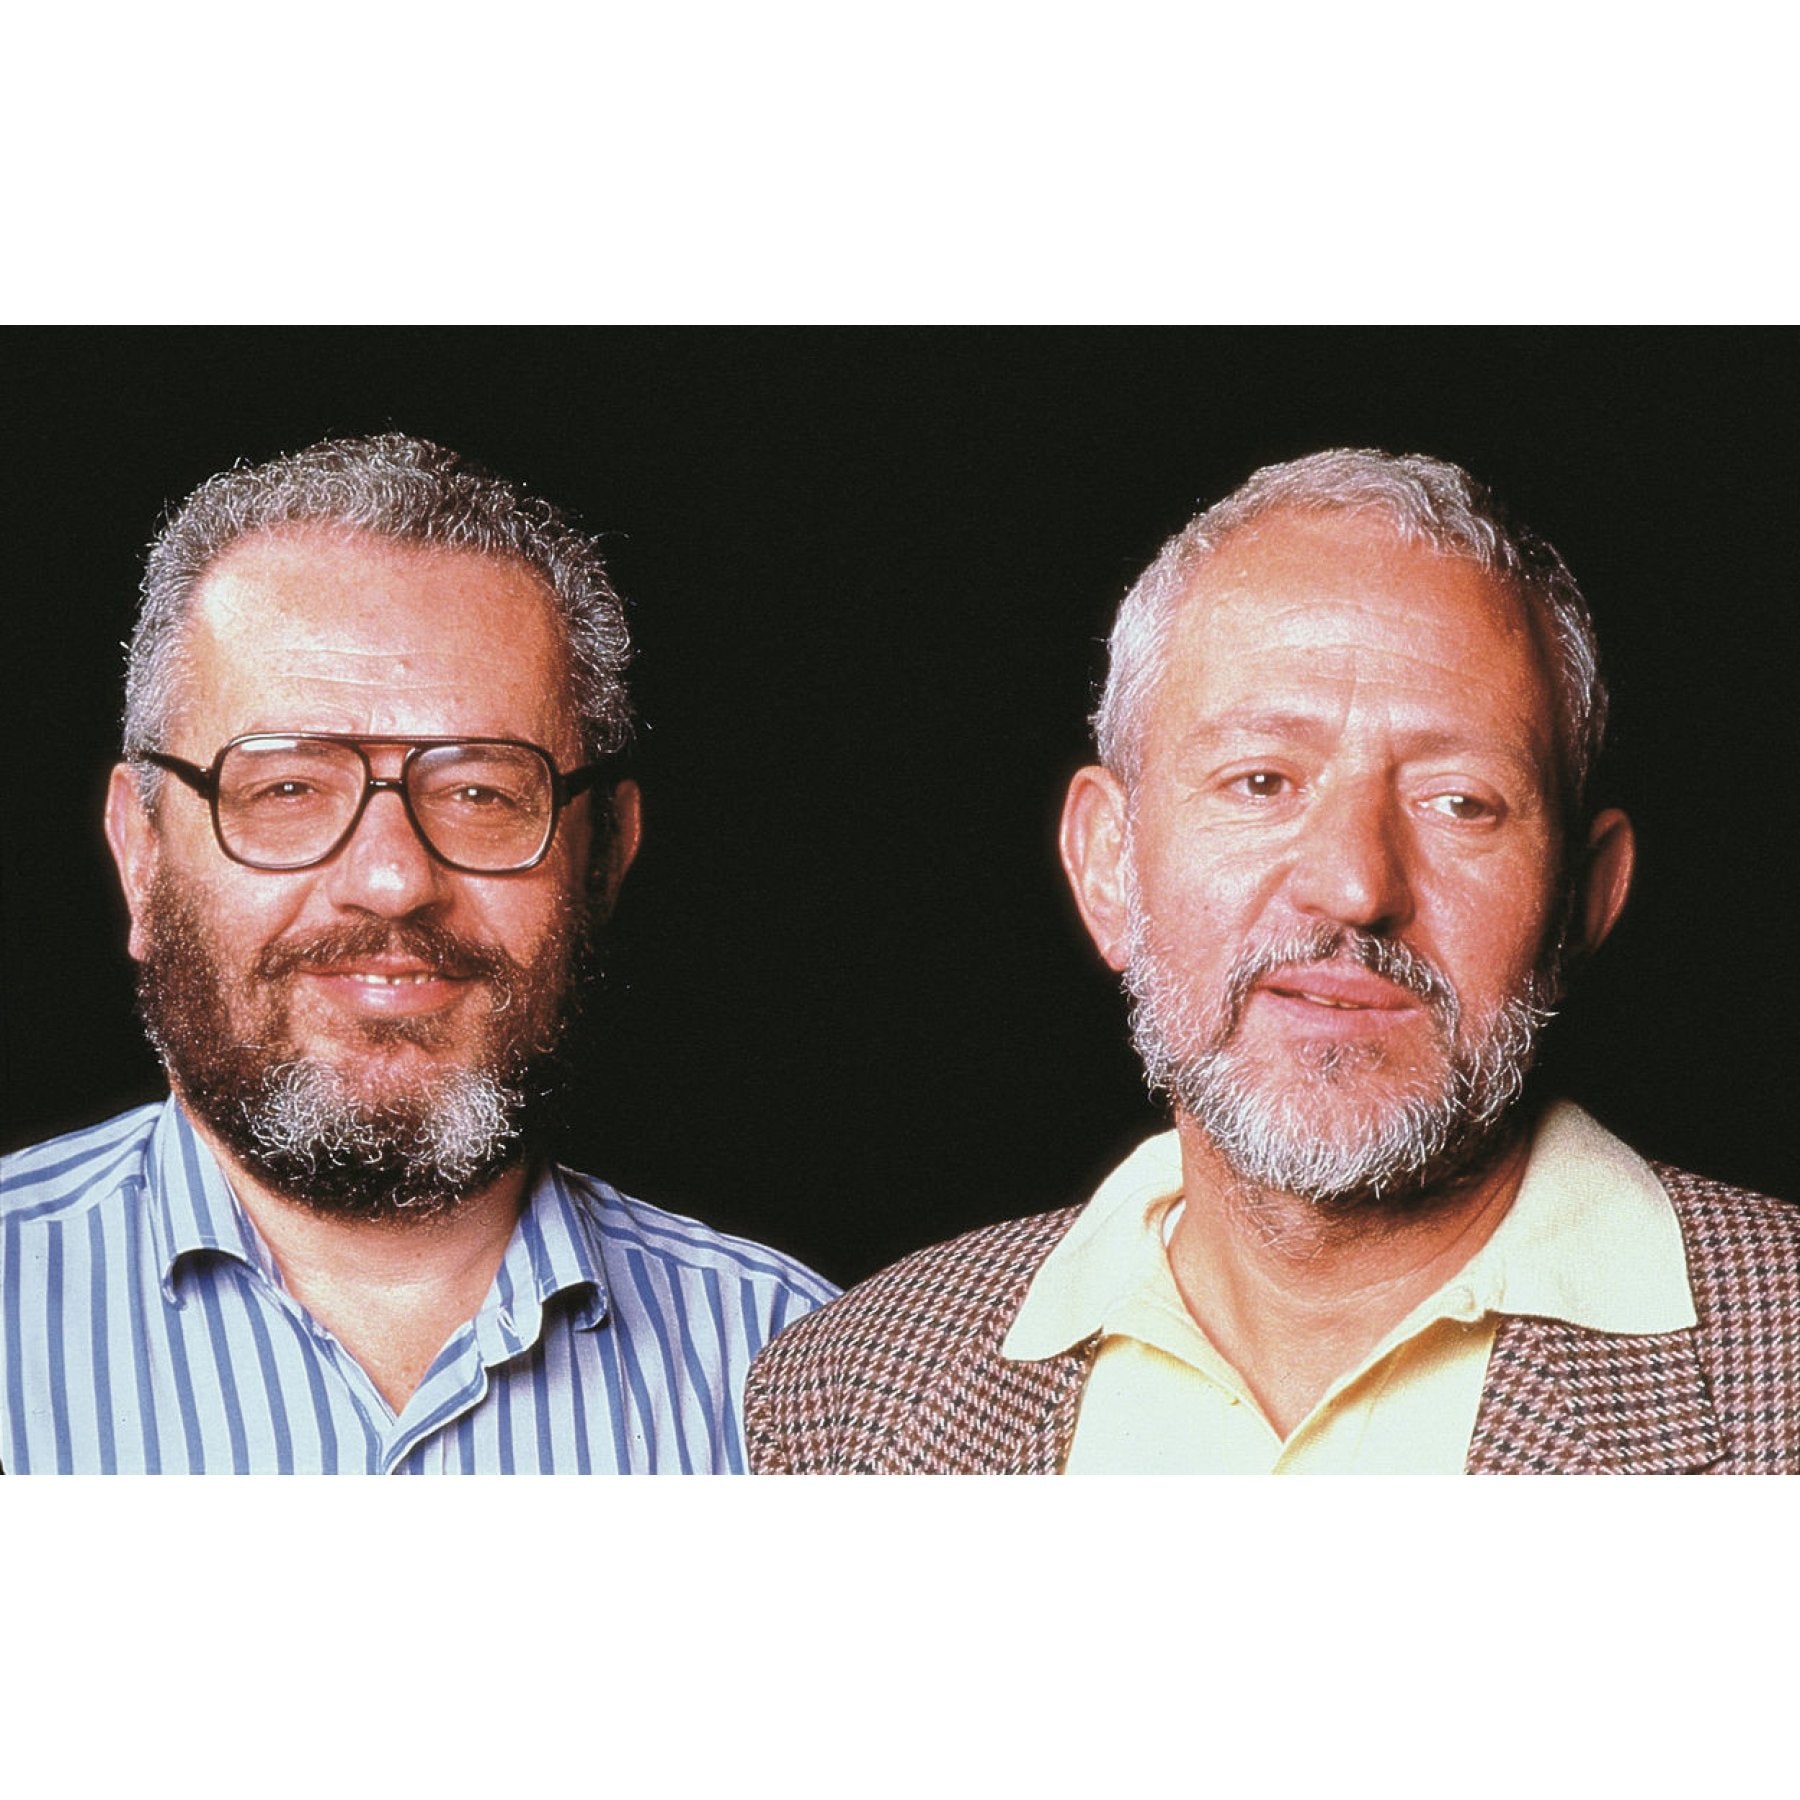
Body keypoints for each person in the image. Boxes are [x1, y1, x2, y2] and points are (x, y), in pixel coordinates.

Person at [745, 447, 1799, 1475]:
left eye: (1459, 802)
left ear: (1586, 897)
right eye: (1262, 782)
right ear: (1108, 865)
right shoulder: (841, 1398)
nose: (1354, 885)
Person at [1, 433, 836, 1473]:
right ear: (140, 852)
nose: (393, 880)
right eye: (288, 788)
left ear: (605, 855)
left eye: (481, 793)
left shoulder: (813, 1378)